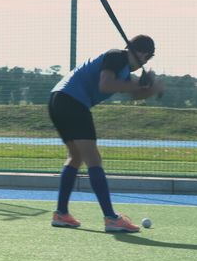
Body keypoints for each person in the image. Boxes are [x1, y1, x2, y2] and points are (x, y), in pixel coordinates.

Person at [48, 35, 163, 233]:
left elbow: (133, 93)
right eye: (148, 58)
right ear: (144, 54)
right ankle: (111, 217)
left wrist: (149, 90)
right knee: (93, 158)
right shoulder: (116, 56)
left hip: (58, 100)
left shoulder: (124, 71)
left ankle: (61, 214)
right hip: (73, 101)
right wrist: (141, 86)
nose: (145, 62)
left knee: (76, 157)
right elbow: (106, 85)